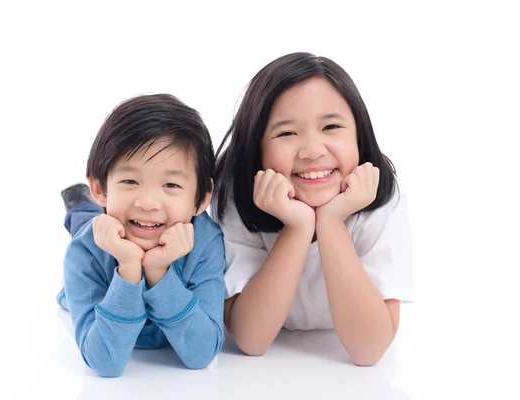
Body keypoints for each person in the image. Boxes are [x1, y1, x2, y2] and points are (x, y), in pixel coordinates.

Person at [212, 52, 414, 366]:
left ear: (359, 134)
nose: (312, 151)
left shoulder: (379, 198)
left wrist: (331, 223)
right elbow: (250, 340)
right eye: (287, 133)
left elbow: (369, 350)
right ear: (256, 147)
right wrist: (297, 228)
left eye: (331, 127)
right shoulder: (237, 196)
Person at [56, 94, 225, 377]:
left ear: (202, 198)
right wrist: (129, 269)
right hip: (108, 226)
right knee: (86, 221)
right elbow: (104, 363)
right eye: (130, 181)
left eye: (170, 184)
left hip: (125, 219)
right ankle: (80, 203)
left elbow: (201, 354)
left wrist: (158, 272)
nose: (148, 202)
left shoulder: (205, 241)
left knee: (104, 217)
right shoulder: (84, 252)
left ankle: (85, 205)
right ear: (100, 186)